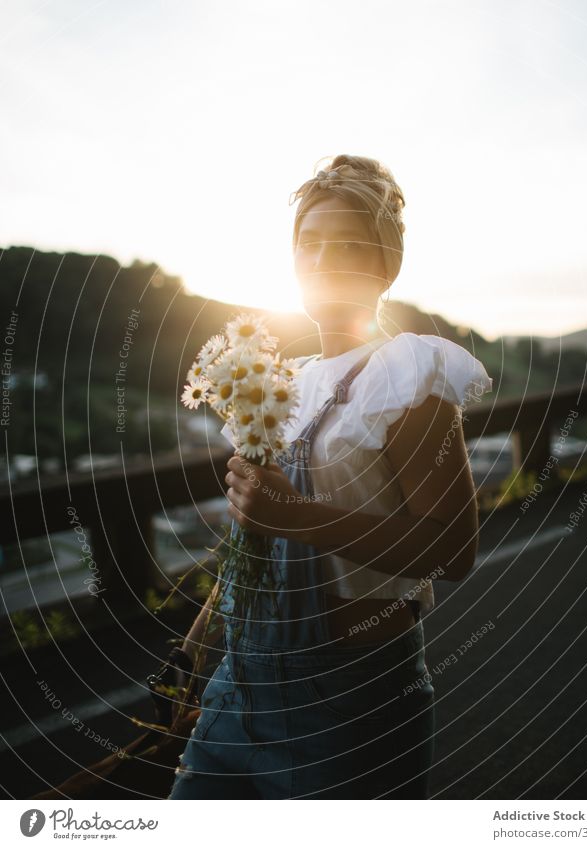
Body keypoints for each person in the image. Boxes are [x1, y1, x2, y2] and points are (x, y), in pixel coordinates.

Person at [167, 154, 493, 799]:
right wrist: (197, 642)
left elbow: (453, 549)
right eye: (309, 244)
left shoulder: (406, 376)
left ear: (386, 266)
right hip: (240, 682)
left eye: (348, 245)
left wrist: (299, 517)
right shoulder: (282, 380)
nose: (322, 261)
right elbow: (253, 536)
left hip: (347, 697)